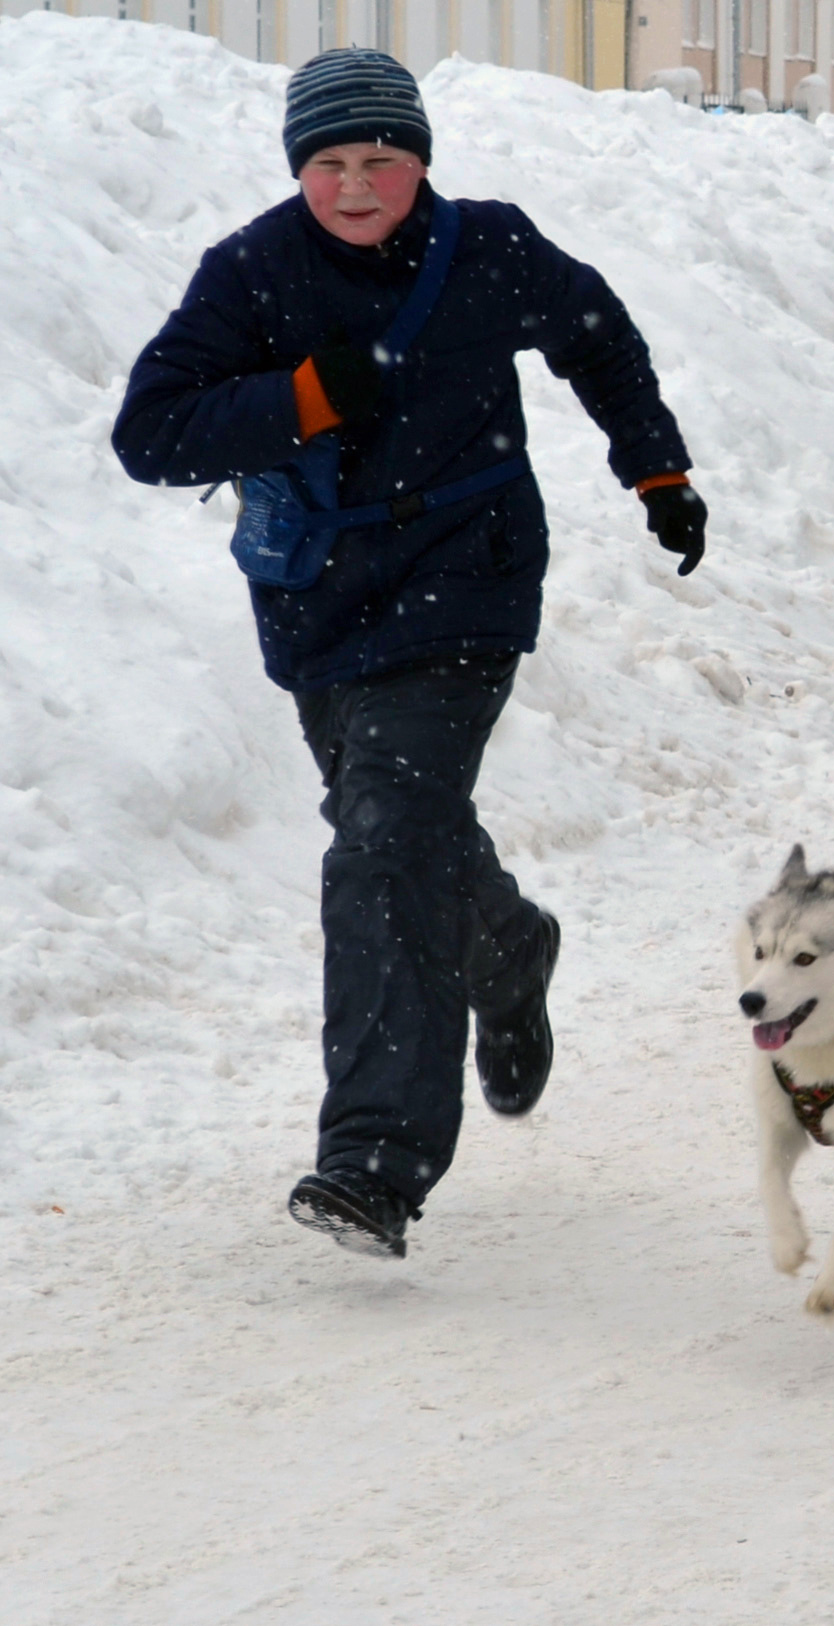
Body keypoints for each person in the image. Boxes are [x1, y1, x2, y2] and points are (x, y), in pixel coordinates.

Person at [112, 49, 705, 1259]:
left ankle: (374, 1161)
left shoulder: (486, 249)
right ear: (300, 171)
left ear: (420, 159)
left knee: (381, 839)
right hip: (322, 601)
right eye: (329, 163)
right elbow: (149, 431)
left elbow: (598, 334)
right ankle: (507, 942)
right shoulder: (253, 269)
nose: (355, 185)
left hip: (468, 579)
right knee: (400, 832)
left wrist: (656, 467)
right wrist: (304, 399)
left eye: (379, 159)